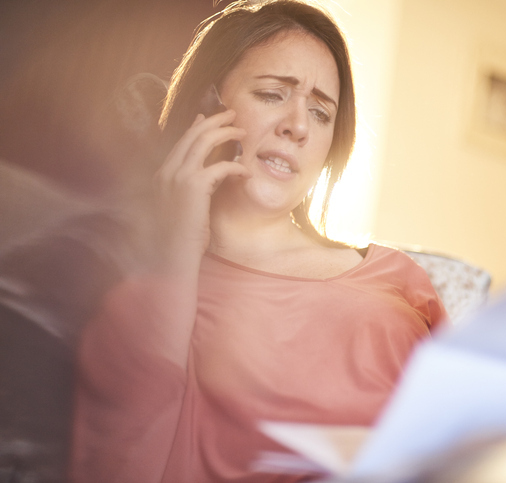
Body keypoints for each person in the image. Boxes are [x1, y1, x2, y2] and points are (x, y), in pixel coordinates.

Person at [70, 1, 446, 482]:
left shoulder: (399, 278)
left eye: (320, 112)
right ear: (206, 104)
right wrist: (177, 253)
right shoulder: (137, 291)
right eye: (272, 94)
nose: (299, 126)